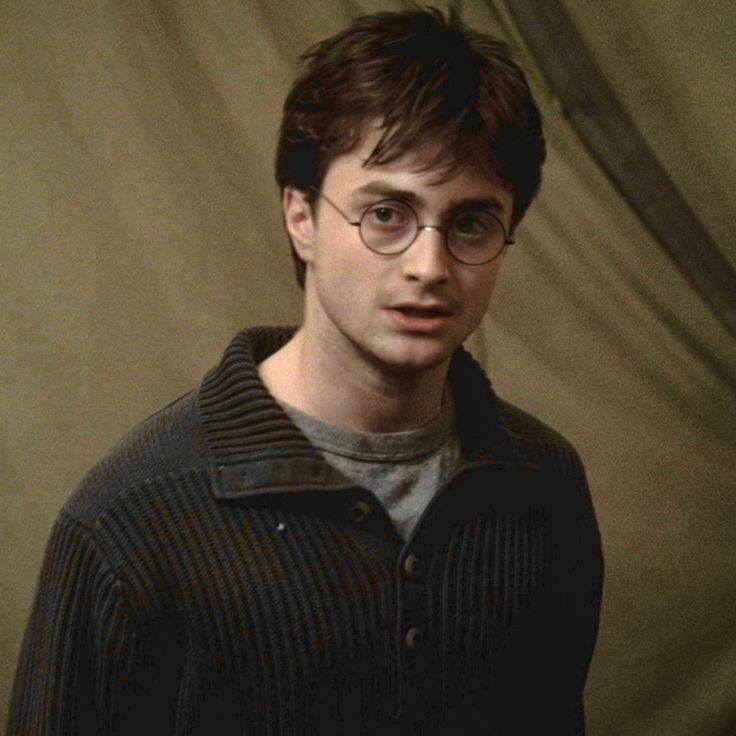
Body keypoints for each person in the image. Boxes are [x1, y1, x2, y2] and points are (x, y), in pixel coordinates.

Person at [8, 7, 603, 735]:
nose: (429, 266)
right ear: (300, 217)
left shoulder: (545, 485)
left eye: (471, 222)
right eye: (386, 213)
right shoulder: (130, 520)